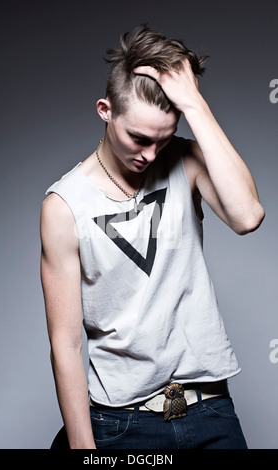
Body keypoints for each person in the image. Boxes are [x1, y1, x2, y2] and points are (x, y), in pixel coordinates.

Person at [40, 25, 264, 449]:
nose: (149, 155)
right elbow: (65, 345)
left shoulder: (184, 160)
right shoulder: (64, 205)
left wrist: (194, 105)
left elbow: (248, 215)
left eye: (162, 141)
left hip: (208, 409)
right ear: (105, 110)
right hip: (119, 424)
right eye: (139, 139)